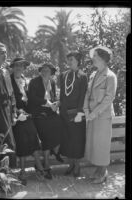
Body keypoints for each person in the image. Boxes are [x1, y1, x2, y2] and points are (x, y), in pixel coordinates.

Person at [84, 46, 117, 184]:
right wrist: (86, 110)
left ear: (103, 59)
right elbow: (88, 94)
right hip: (92, 116)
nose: (93, 58)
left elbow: (109, 99)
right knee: (95, 144)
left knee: (102, 145)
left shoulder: (110, 76)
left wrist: (93, 114)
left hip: (102, 117)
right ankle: (98, 170)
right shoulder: (93, 74)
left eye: (96, 56)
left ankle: (103, 173)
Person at [10, 57, 45, 183]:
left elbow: (29, 99)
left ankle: (39, 166)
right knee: (21, 142)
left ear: (24, 67)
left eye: (21, 65)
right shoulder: (8, 80)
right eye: (17, 65)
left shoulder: (25, 80)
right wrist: (17, 113)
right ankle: (23, 171)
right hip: (17, 117)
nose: (19, 68)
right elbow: (8, 100)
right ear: (13, 67)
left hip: (28, 116)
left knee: (34, 139)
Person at [28, 63, 63, 179]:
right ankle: (47, 163)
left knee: (59, 122)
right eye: (43, 70)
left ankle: (56, 149)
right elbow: (32, 98)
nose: (44, 72)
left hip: (49, 111)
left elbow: (53, 97)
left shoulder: (52, 82)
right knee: (46, 131)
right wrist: (46, 103)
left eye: (47, 70)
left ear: (51, 72)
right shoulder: (34, 82)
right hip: (38, 113)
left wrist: (56, 103)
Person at [59, 51, 88, 177]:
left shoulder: (83, 76)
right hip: (65, 114)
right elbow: (62, 95)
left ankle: (77, 166)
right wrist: (58, 105)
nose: (69, 61)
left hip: (76, 115)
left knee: (77, 140)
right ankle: (70, 164)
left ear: (78, 61)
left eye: (72, 59)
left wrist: (80, 113)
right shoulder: (63, 75)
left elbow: (83, 96)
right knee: (67, 140)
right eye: (68, 59)